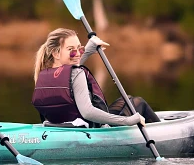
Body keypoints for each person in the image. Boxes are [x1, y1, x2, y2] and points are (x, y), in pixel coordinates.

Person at [32, 28, 160, 127]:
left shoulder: (44, 74)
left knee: (129, 99)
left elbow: (70, 71)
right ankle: (162, 132)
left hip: (61, 126)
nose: (77, 54)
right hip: (93, 128)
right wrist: (128, 121)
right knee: (138, 102)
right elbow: (87, 112)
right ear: (55, 53)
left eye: (79, 48)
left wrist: (88, 49)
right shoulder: (77, 73)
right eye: (71, 49)